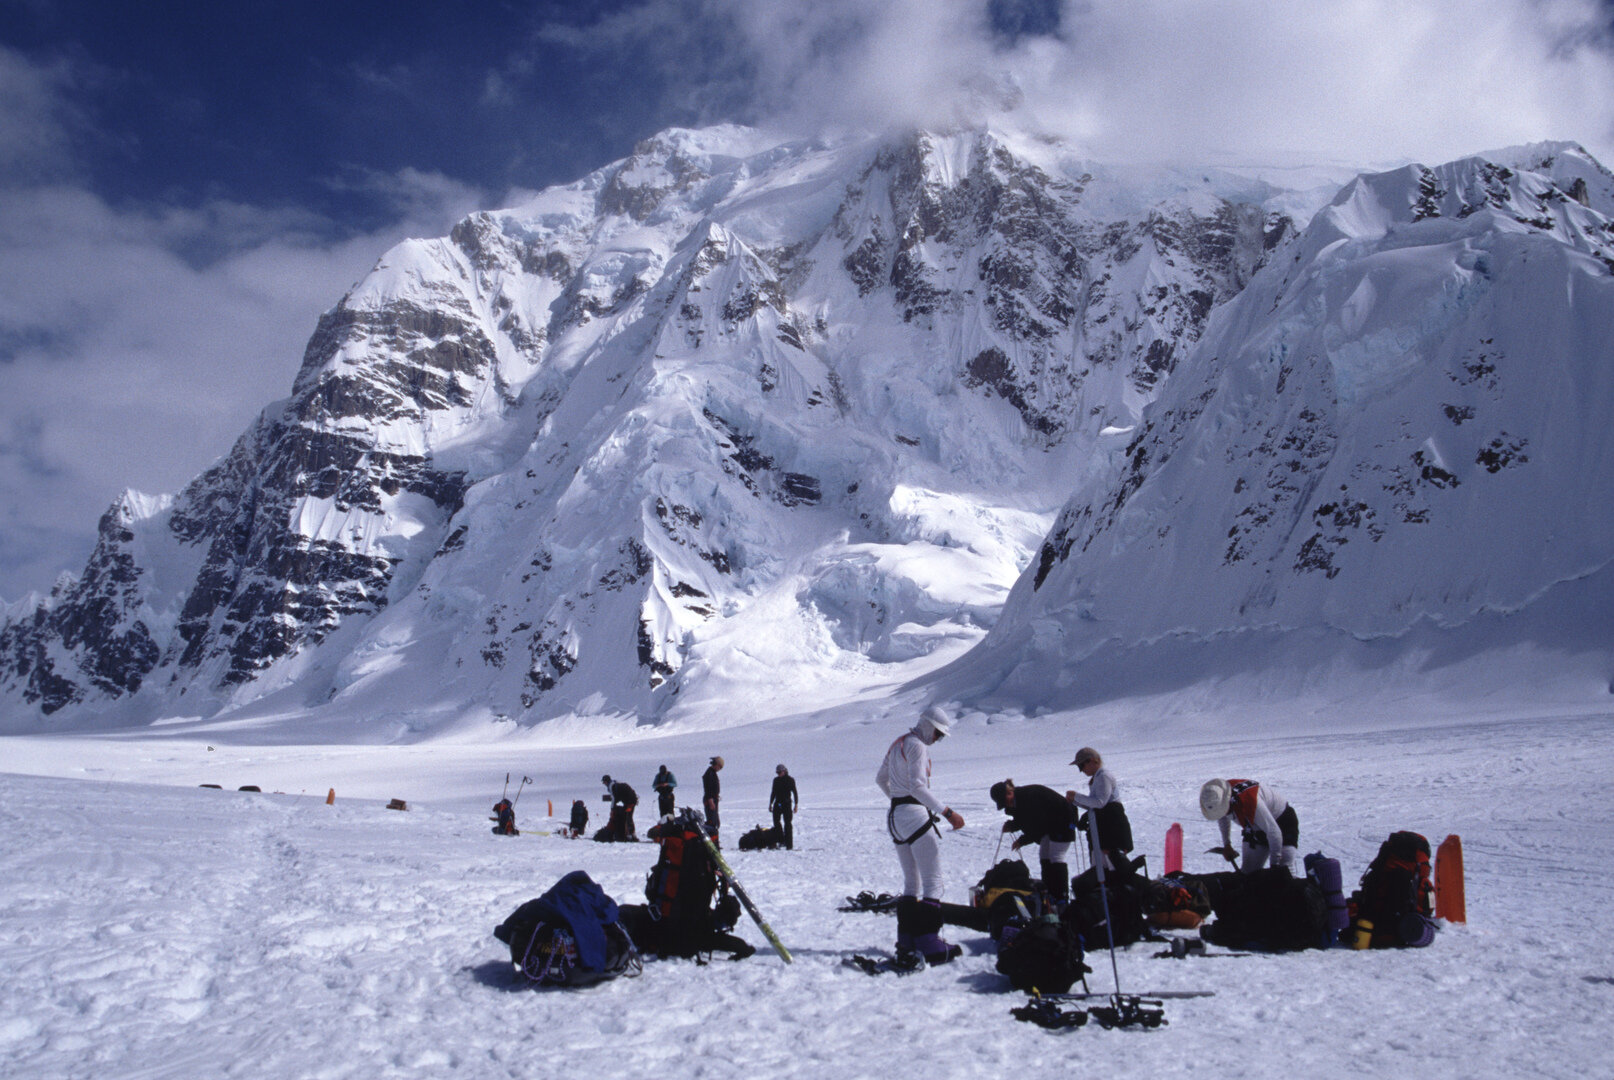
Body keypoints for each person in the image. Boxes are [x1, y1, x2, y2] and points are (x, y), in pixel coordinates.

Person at [875, 705, 966, 966]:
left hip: (895, 817)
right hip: (914, 816)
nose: (936, 739)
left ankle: (907, 940)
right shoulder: (918, 745)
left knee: (911, 884)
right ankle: (930, 944)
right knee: (933, 882)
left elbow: (881, 779)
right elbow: (917, 785)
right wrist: (948, 813)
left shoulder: (898, 744)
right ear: (927, 725)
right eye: (937, 734)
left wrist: (899, 802)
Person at [989, 779, 1074, 905]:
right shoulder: (1017, 802)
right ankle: (1049, 892)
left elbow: (1037, 825)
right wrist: (1012, 826)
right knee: (1044, 856)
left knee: (1056, 858)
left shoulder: (1029, 797)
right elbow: (1026, 821)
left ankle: (1061, 897)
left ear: (1009, 792)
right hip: (1049, 827)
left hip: (1063, 822)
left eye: (1005, 801)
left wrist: (1022, 840)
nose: (1007, 805)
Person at [1200, 778, 1299, 874]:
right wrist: (1227, 845)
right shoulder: (1217, 796)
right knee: (1248, 873)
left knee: (1284, 872)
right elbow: (1222, 817)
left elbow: (1274, 832)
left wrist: (1274, 865)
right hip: (1254, 826)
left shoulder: (1250, 802)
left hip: (1282, 822)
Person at [1066, 747, 1135, 882]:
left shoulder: (1103, 776)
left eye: (1082, 766)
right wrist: (1075, 801)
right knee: (1102, 866)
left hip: (1112, 826)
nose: (1081, 770)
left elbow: (1100, 802)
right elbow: (1094, 805)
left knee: (1113, 865)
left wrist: (1077, 796)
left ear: (1092, 761)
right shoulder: (1096, 778)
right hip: (1104, 826)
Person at [600, 775, 639, 842]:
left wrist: (612, 808)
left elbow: (614, 798)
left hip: (630, 802)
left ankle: (630, 834)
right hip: (630, 800)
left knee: (628, 817)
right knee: (628, 817)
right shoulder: (616, 783)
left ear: (606, 781)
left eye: (604, 782)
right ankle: (630, 834)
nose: (604, 784)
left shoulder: (612, 786)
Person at [769, 764, 799, 850]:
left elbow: (795, 792)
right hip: (777, 803)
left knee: (787, 824)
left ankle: (789, 844)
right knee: (776, 822)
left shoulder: (790, 780)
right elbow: (773, 793)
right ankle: (781, 840)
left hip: (786, 803)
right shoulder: (776, 780)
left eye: (780, 772)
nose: (779, 774)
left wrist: (796, 804)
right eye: (777, 773)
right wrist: (770, 804)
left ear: (784, 771)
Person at [702, 756, 724, 843]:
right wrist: (710, 800)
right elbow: (708, 788)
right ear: (716, 765)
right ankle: (712, 841)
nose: (720, 769)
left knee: (715, 822)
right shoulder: (709, 774)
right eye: (720, 767)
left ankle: (714, 841)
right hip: (710, 800)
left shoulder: (712, 773)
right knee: (712, 823)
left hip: (713, 799)